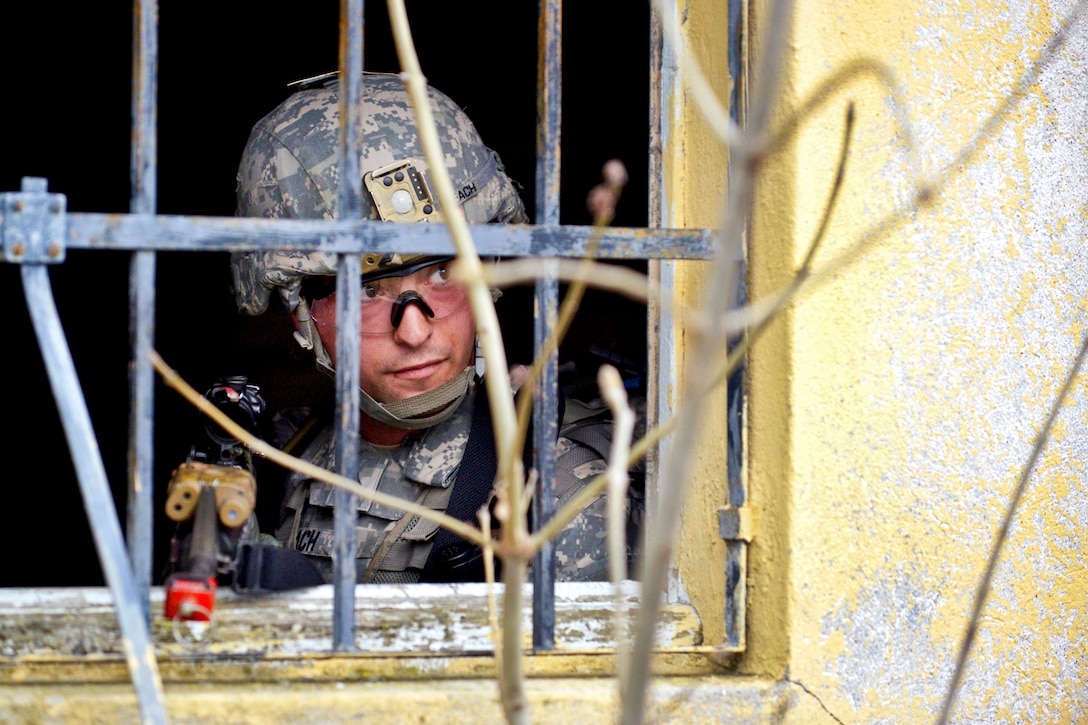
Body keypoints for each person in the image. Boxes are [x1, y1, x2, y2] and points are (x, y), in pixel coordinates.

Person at [230, 72, 642, 585]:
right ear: (299, 312)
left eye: (443, 273)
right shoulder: (272, 463)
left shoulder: (558, 491)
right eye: (365, 289)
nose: (415, 332)